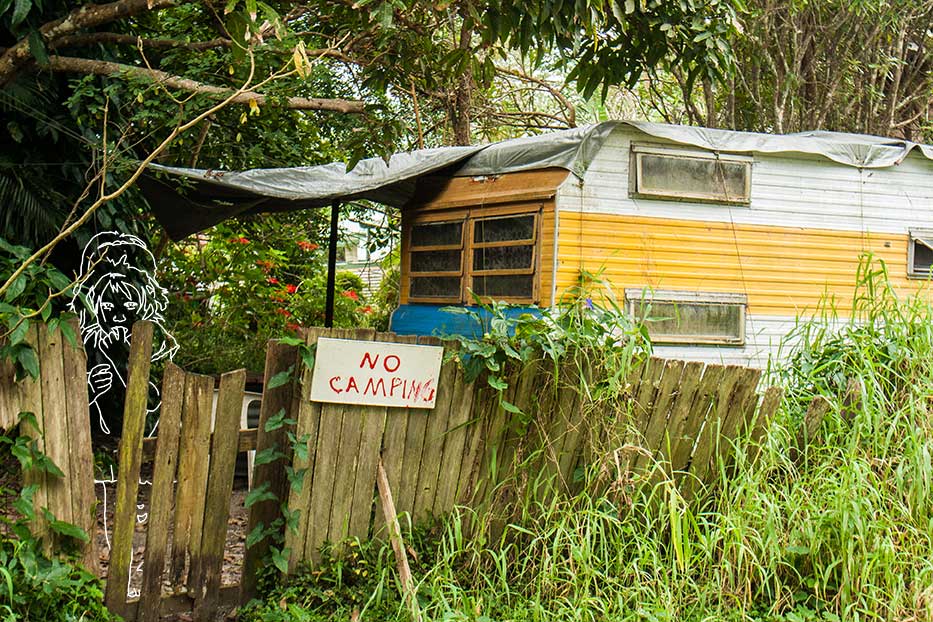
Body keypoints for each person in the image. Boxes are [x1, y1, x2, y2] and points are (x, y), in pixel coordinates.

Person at [69, 232, 177, 435]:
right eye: (109, 307)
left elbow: (156, 400)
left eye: (128, 306)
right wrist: (91, 389)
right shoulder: (86, 344)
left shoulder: (152, 346)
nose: (118, 317)